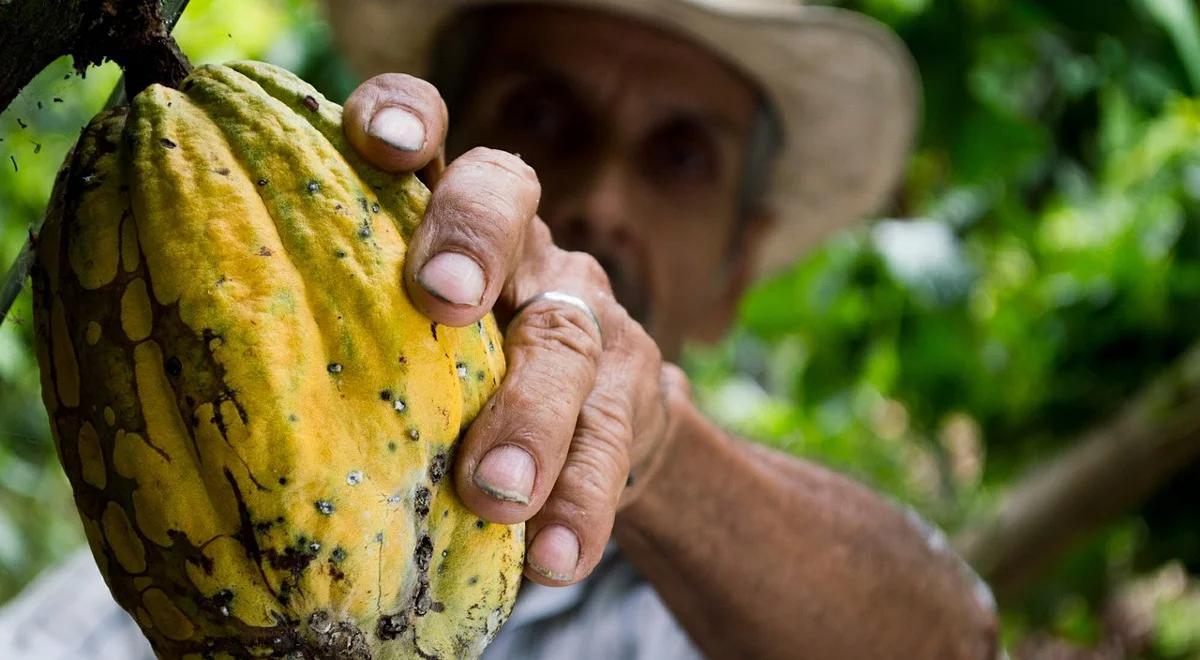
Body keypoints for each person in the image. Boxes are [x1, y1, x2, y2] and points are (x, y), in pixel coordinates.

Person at [0, 1, 1000, 658]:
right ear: (431, 151)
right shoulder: (175, 556)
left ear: (737, 269)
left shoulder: (719, 612)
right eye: (545, 115)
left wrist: (652, 447)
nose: (605, 198)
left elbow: (953, 641)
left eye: (681, 156)